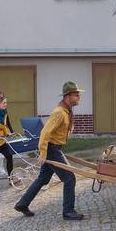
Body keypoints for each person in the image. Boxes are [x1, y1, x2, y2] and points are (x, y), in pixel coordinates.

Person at [14, 81, 85, 220]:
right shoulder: (59, 113)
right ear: (67, 96)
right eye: (76, 95)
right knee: (70, 178)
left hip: (55, 148)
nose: (79, 97)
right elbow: (45, 132)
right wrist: (43, 152)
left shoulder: (66, 111)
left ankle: (22, 204)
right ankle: (68, 211)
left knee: (43, 178)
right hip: (52, 149)